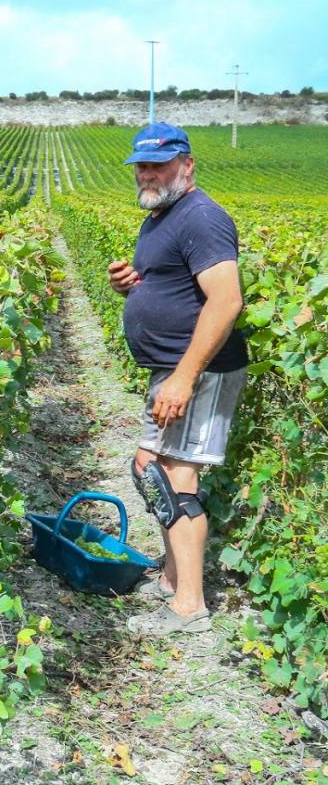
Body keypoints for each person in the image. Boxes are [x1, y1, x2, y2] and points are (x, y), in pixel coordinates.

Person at [108, 122, 247, 636]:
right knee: (150, 467)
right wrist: (132, 286)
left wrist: (184, 379)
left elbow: (226, 300)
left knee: (176, 477)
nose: (146, 174)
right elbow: (173, 287)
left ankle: (190, 606)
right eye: (140, 165)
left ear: (186, 165)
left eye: (157, 165)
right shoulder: (162, 216)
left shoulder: (202, 218)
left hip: (199, 370)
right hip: (173, 367)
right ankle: (171, 579)